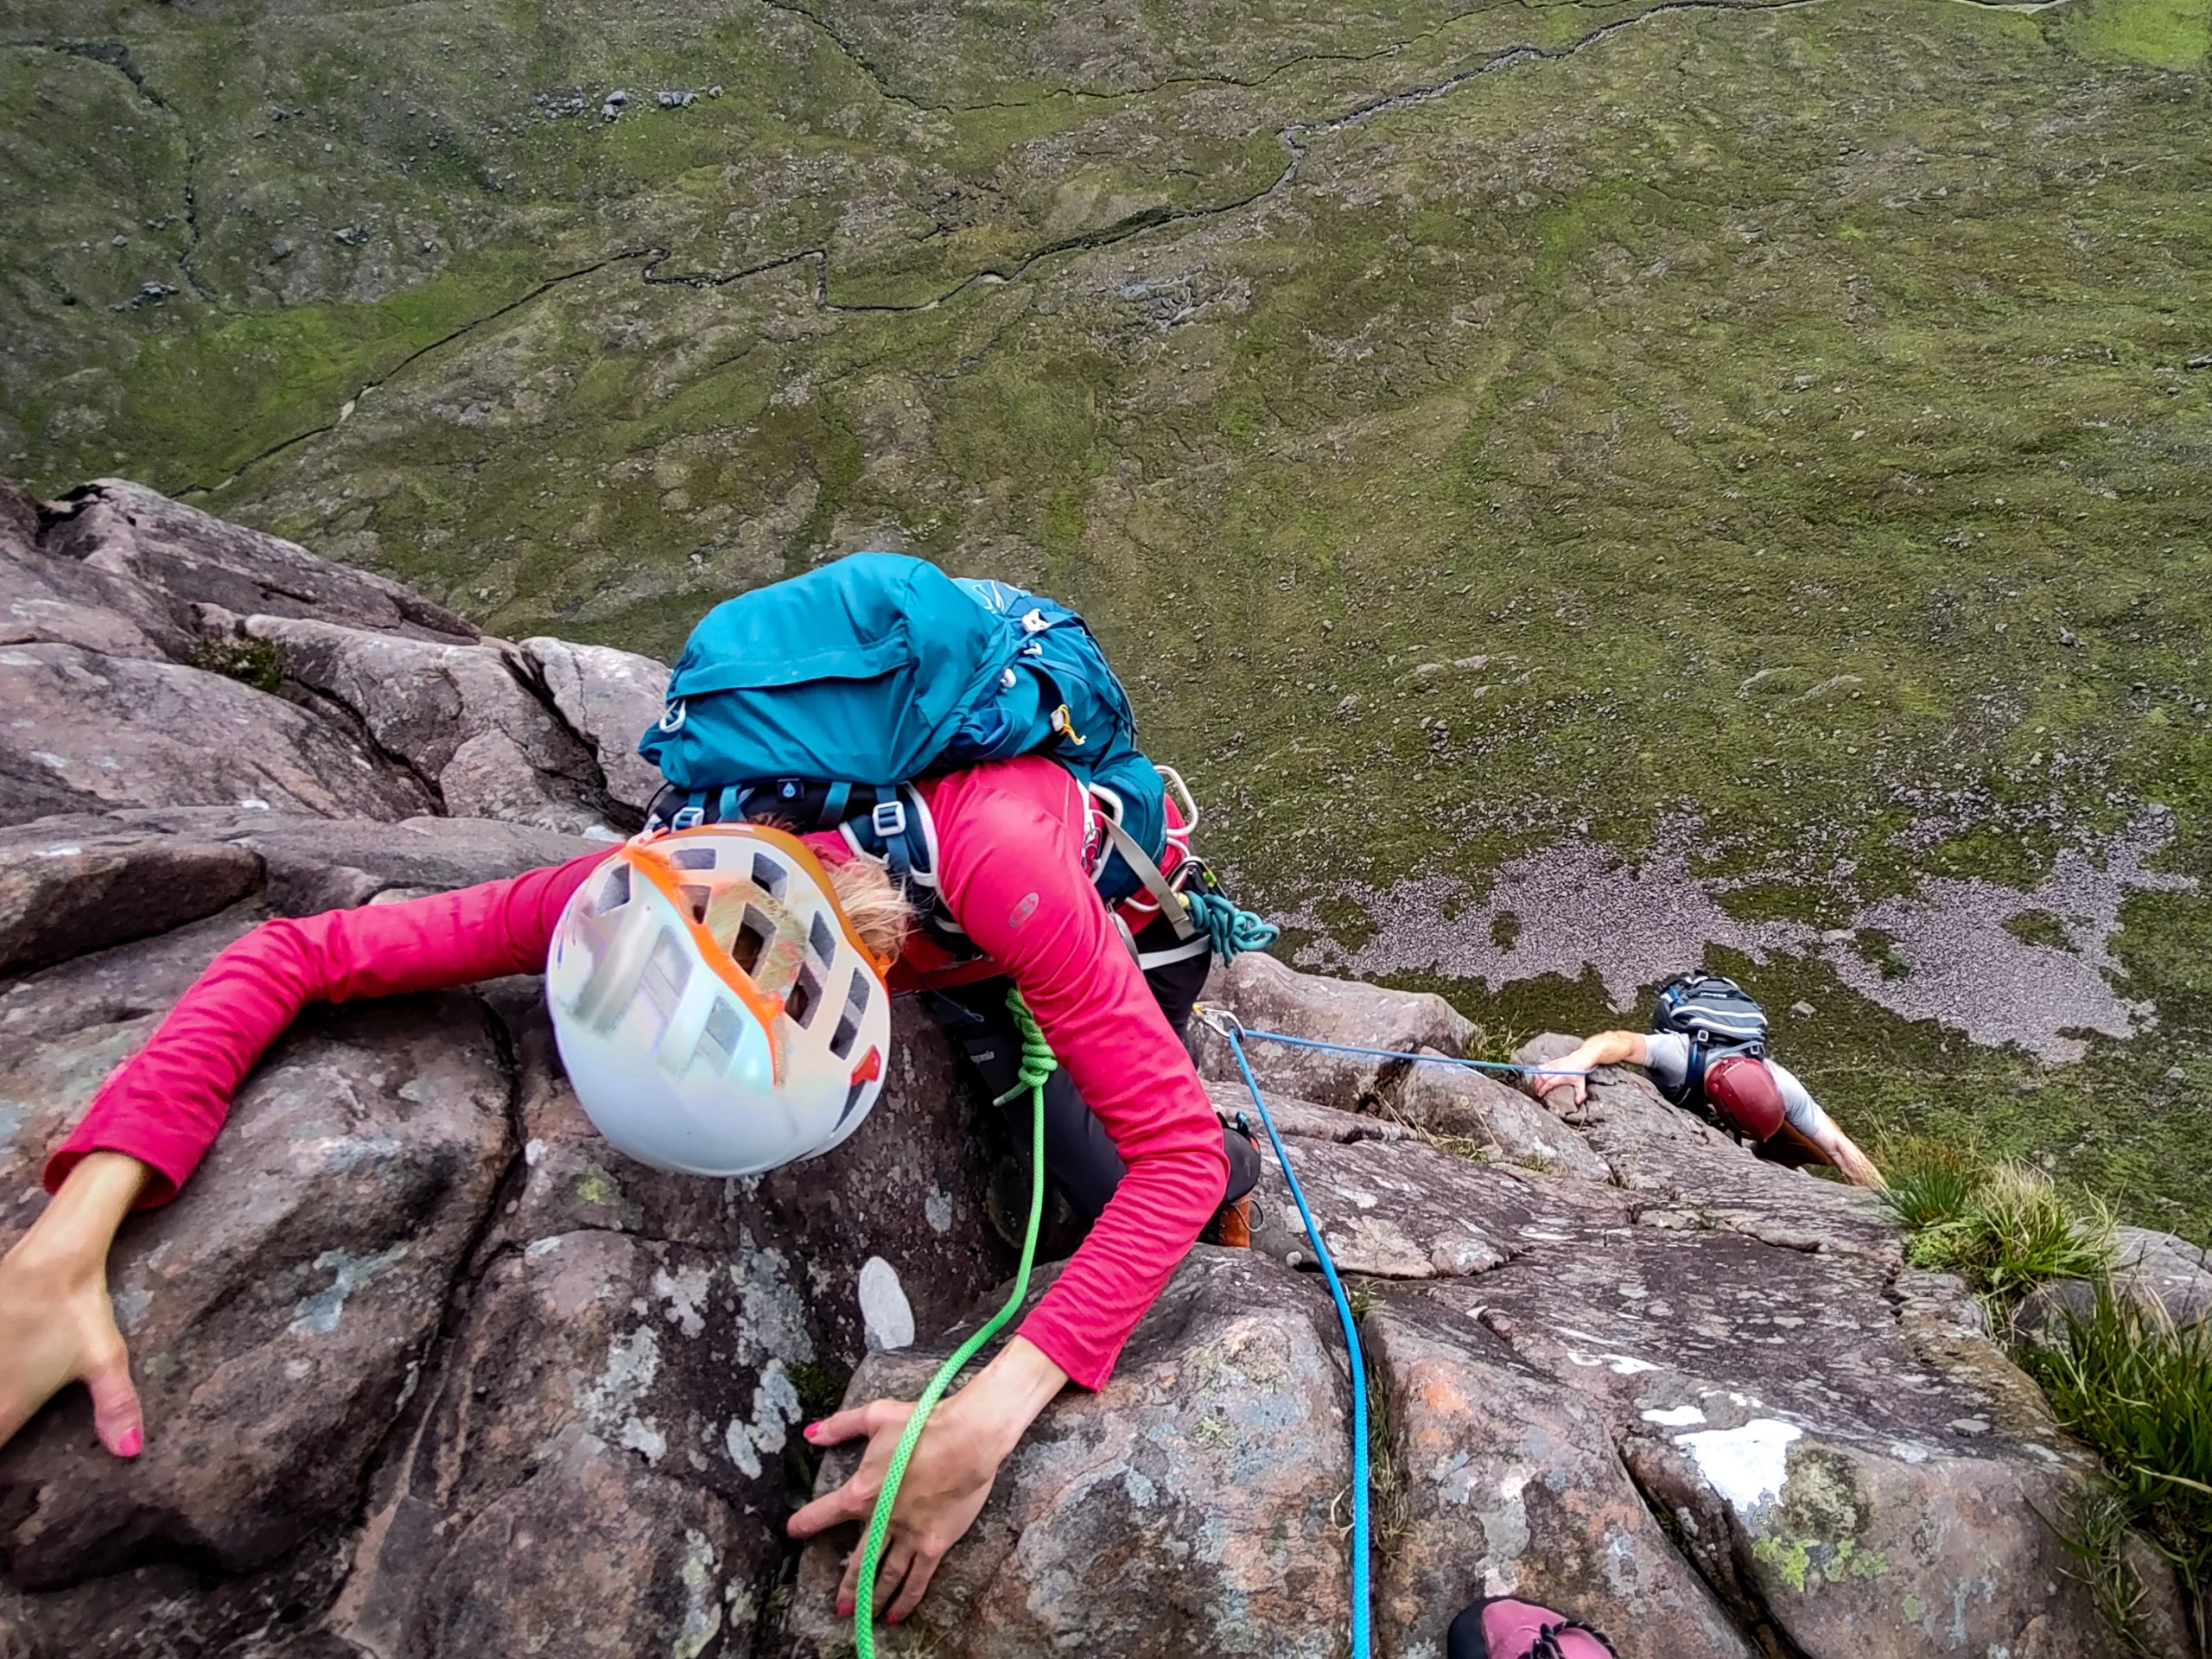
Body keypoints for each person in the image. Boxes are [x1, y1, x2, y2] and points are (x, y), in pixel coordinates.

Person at [0, 752, 1258, 1629]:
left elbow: (1176, 1159)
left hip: (1061, 903)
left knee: (1113, 1187)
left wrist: (984, 1420)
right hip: (942, 935)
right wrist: (75, 1227)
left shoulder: (1002, 865)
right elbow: (293, 957)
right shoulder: (630, 903)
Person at [1529, 993, 1885, 1189]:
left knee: (1809, 1150)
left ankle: (1769, 1151)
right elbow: (1617, 1041)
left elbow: (1839, 1147)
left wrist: (1893, 1206)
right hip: (1688, 1097)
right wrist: (1578, 1062)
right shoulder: (1679, 1056)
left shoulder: (1781, 1083)